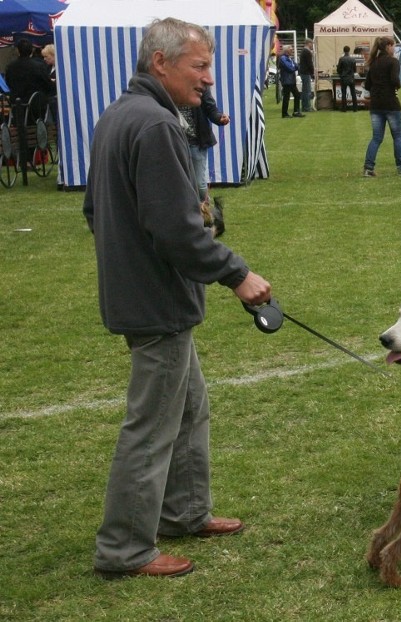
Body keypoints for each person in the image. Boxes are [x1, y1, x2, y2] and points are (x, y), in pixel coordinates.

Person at [83, 17, 272, 579]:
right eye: (200, 66)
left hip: (148, 294)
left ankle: (185, 511)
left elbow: (95, 212)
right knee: (152, 425)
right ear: (160, 63)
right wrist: (238, 274)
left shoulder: (121, 114)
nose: (209, 79)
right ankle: (124, 548)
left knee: (189, 410)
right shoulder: (155, 124)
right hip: (156, 302)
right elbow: (175, 229)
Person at [362, 36, 401, 177]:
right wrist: (397, 85)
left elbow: (367, 85)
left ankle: (368, 167)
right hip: (391, 102)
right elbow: (394, 79)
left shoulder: (373, 63)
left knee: (376, 138)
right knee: (397, 136)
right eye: (393, 46)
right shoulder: (393, 62)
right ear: (388, 47)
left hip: (375, 104)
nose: (394, 48)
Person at [179, 87, 230, 202]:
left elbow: (211, 108)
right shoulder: (168, 83)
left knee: (199, 184)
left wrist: (219, 117)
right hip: (174, 142)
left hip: (196, 142)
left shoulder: (199, 83)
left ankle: (205, 210)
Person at [4, 38, 54, 117]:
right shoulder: (39, 66)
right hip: (36, 106)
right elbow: (48, 84)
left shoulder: (10, 67)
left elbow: (8, 82)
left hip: (17, 105)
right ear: (31, 51)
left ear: (18, 51)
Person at [278, 46, 303, 118]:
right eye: (290, 49)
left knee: (296, 95)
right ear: (286, 51)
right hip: (286, 81)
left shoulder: (289, 58)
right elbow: (290, 68)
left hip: (291, 80)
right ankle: (285, 113)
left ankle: (295, 112)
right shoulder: (283, 58)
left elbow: (296, 66)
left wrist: (294, 67)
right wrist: (294, 67)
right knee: (287, 97)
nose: (292, 51)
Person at [336, 45, 358, 111]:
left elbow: (338, 69)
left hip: (344, 77)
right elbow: (355, 70)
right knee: (353, 93)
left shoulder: (341, 59)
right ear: (349, 50)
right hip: (351, 77)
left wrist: (341, 74)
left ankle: (344, 108)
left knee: (344, 93)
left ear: (344, 50)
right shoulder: (353, 59)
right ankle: (355, 108)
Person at [299, 38, 314, 112]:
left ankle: (305, 106)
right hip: (306, 73)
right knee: (307, 90)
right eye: (312, 44)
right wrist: (313, 72)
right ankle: (306, 107)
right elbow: (309, 64)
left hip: (303, 72)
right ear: (309, 43)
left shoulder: (303, 51)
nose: (312, 45)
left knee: (305, 90)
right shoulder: (307, 52)